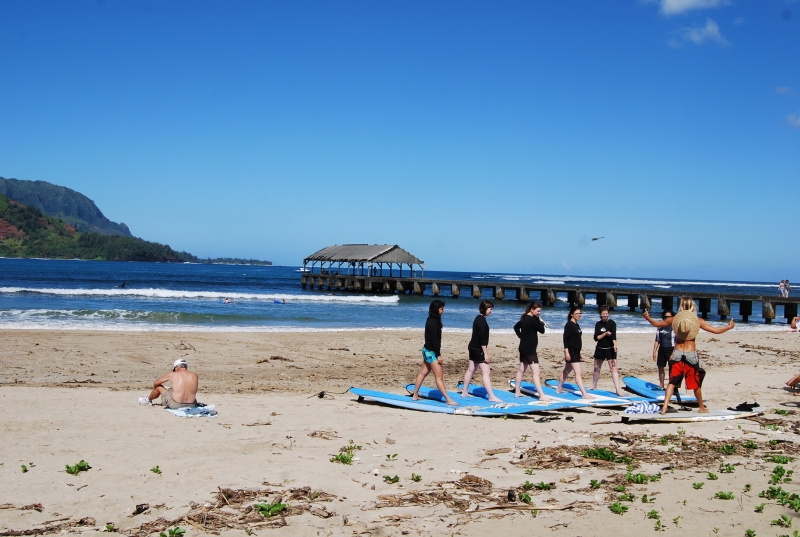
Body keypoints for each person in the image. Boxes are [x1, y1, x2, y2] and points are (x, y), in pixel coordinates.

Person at [644, 297, 734, 414]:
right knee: (695, 383)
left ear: (681, 307)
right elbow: (715, 331)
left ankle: (665, 407)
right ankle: (701, 407)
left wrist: (648, 318)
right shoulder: (698, 321)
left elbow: (657, 324)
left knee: (672, 381)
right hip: (690, 353)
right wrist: (729, 327)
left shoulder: (675, 320)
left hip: (677, 352)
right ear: (693, 307)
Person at [412, 300, 458, 405]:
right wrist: (438, 355)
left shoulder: (431, 319)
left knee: (423, 373)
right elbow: (434, 341)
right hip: (431, 352)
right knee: (439, 376)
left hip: (426, 350)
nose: (443, 311)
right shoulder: (433, 322)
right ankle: (448, 399)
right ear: (436, 309)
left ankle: (415, 395)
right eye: (441, 309)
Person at [460, 300, 502, 402]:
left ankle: (464, 392)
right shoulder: (482, 321)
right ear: (484, 309)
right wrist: (486, 354)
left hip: (472, 347)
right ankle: (491, 396)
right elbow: (482, 340)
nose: (491, 311)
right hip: (478, 349)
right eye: (490, 309)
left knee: (471, 370)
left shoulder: (478, 318)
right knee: (486, 372)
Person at [513, 301, 550, 400]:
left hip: (523, 347)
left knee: (521, 369)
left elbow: (516, 327)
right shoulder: (532, 320)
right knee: (536, 372)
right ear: (532, 310)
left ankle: (517, 392)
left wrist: (521, 337)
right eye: (538, 311)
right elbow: (542, 330)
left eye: (540, 311)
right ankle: (542, 396)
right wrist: (539, 320)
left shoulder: (524, 318)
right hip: (529, 350)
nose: (539, 313)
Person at [556, 306, 594, 398]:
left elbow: (576, 339)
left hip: (576, 351)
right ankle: (584, 394)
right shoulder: (569, 325)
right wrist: (566, 352)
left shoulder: (576, 324)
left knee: (567, 370)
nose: (578, 315)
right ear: (572, 314)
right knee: (579, 372)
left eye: (580, 313)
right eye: (576, 313)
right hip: (571, 351)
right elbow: (565, 339)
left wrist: (579, 352)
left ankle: (559, 388)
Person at [591, 306, 624, 396]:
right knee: (597, 368)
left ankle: (618, 389)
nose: (605, 315)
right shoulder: (598, 324)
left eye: (606, 313)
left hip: (610, 349)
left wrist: (615, 345)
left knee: (613, 369)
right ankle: (594, 385)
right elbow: (596, 338)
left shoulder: (612, 323)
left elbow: (614, 336)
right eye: (603, 314)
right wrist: (605, 333)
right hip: (600, 348)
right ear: (600, 315)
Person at [652, 310, 676, 390]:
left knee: (672, 368)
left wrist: (674, 352)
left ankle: (671, 386)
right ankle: (661, 385)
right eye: (665, 317)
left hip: (671, 349)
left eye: (669, 317)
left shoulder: (674, 327)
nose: (667, 318)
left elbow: (677, 341)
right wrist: (654, 351)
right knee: (660, 366)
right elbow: (657, 340)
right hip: (662, 349)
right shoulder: (660, 327)